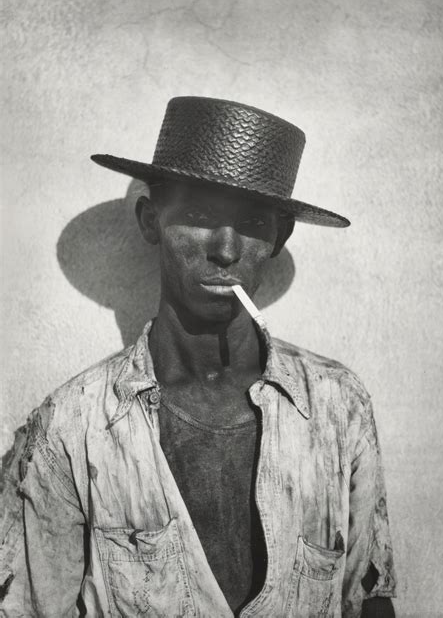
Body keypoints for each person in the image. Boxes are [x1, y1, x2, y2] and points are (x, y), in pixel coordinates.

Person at [0, 96, 397, 617]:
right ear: (151, 221)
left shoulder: (338, 405)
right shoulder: (70, 428)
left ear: (279, 237)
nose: (226, 250)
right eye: (200, 214)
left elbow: (369, 600)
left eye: (252, 222)